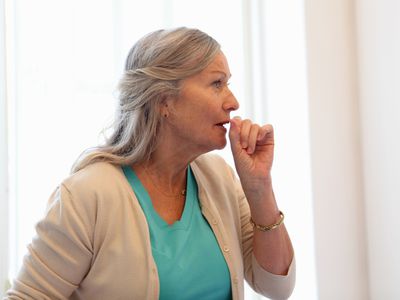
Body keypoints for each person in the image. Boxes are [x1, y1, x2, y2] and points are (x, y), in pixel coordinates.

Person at [5, 27, 295, 300]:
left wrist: (259, 187)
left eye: (227, 83)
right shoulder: (86, 196)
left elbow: (276, 286)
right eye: (216, 84)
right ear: (164, 101)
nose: (233, 102)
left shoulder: (220, 177)